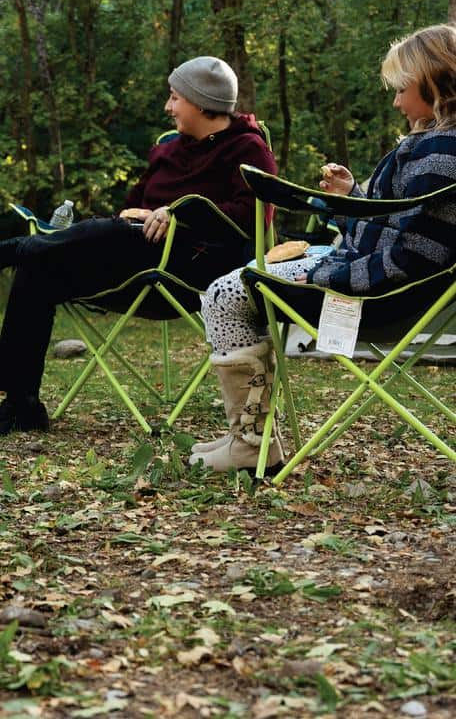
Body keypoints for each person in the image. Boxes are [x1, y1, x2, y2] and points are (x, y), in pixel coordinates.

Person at [0, 56, 277, 438]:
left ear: (201, 102)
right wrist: (139, 215)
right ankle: (20, 404)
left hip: (192, 275)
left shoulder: (248, 150)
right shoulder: (170, 150)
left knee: (101, 236)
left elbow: (252, 218)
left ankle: (19, 247)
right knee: (41, 268)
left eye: (175, 98)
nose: (168, 107)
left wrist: (179, 214)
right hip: (135, 262)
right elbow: (129, 207)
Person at [193, 24, 456, 473]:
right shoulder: (431, 144)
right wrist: (352, 195)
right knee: (246, 278)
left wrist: (321, 276)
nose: (395, 101)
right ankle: (248, 434)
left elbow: (415, 257)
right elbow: (393, 227)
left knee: (225, 293)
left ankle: (250, 441)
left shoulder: (440, 152)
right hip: (382, 285)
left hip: (374, 300)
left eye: (401, 89)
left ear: (435, 82)